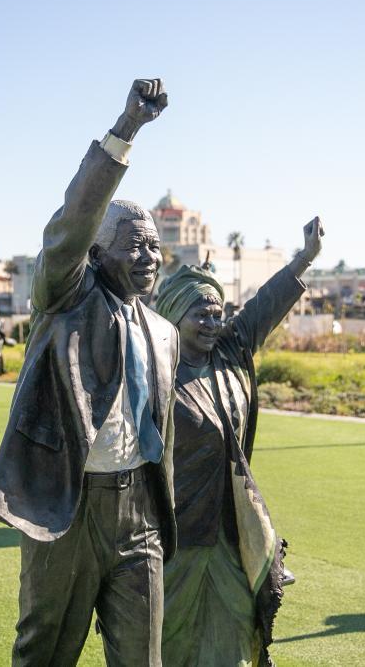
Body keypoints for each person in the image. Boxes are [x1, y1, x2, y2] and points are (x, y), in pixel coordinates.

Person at [0, 79, 178, 666]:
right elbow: (72, 222)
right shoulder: (65, 300)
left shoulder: (163, 333)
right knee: (45, 652)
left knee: (143, 658)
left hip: (140, 514)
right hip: (68, 510)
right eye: (133, 245)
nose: (148, 257)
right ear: (96, 253)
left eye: (154, 246)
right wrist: (126, 130)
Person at [154, 218, 324, 666]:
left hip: (230, 530)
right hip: (175, 534)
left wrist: (304, 258)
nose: (213, 323)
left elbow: (265, 306)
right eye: (201, 314)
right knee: (167, 638)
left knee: (235, 631)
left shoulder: (230, 352)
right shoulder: (152, 369)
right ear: (174, 315)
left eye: (218, 313)